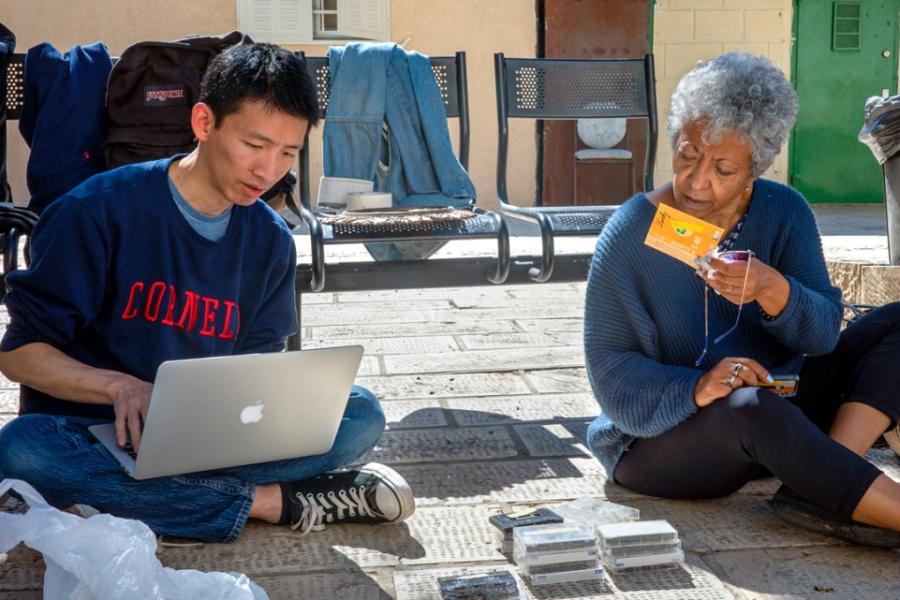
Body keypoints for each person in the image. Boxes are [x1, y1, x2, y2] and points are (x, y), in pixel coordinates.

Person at [0, 43, 414, 543]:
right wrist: (121, 388)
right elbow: (20, 355)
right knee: (21, 450)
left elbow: (257, 371)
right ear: (203, 122)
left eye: (288, 153)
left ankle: (129, 501)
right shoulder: (96, 212)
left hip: (206, 434)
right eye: (255, 145)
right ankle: (275, 503)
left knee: (360, 413)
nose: (269, 171)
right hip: (91, 429)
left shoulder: (271, 240)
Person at [584, 52, 900, 547]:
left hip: (780, 406)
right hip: (662, 441)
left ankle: (820, 479)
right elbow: (610, 368)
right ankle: (870, 498)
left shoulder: (784, 211)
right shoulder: (631, 231)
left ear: (756, 166)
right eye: (687, 155)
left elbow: (820, 337)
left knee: (894, 323)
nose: (697, 180)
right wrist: (699, 386)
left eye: (724, 168)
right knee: (749, 406)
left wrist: (774, 291)